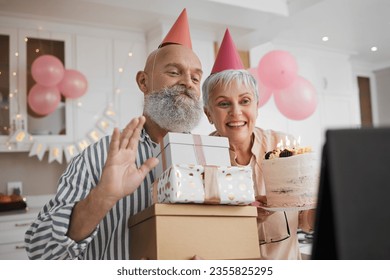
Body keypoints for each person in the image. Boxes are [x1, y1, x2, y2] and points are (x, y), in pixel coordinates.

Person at [24, 9, 204, 260]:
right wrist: (103, 196)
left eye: (196, 77)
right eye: (174, 72)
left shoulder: (207, 159)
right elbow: (40, 252)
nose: (188, 83)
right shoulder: (97, 158)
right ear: (143, 82)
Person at [202, 29, 315, 259]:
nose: (236, 112)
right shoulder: (199, 160)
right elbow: (200, 235)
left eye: (245, 101)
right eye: (223, 104)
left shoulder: (286, 149)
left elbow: (305, 220)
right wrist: (244, 220)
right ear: (208, 114)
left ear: (256, 106)